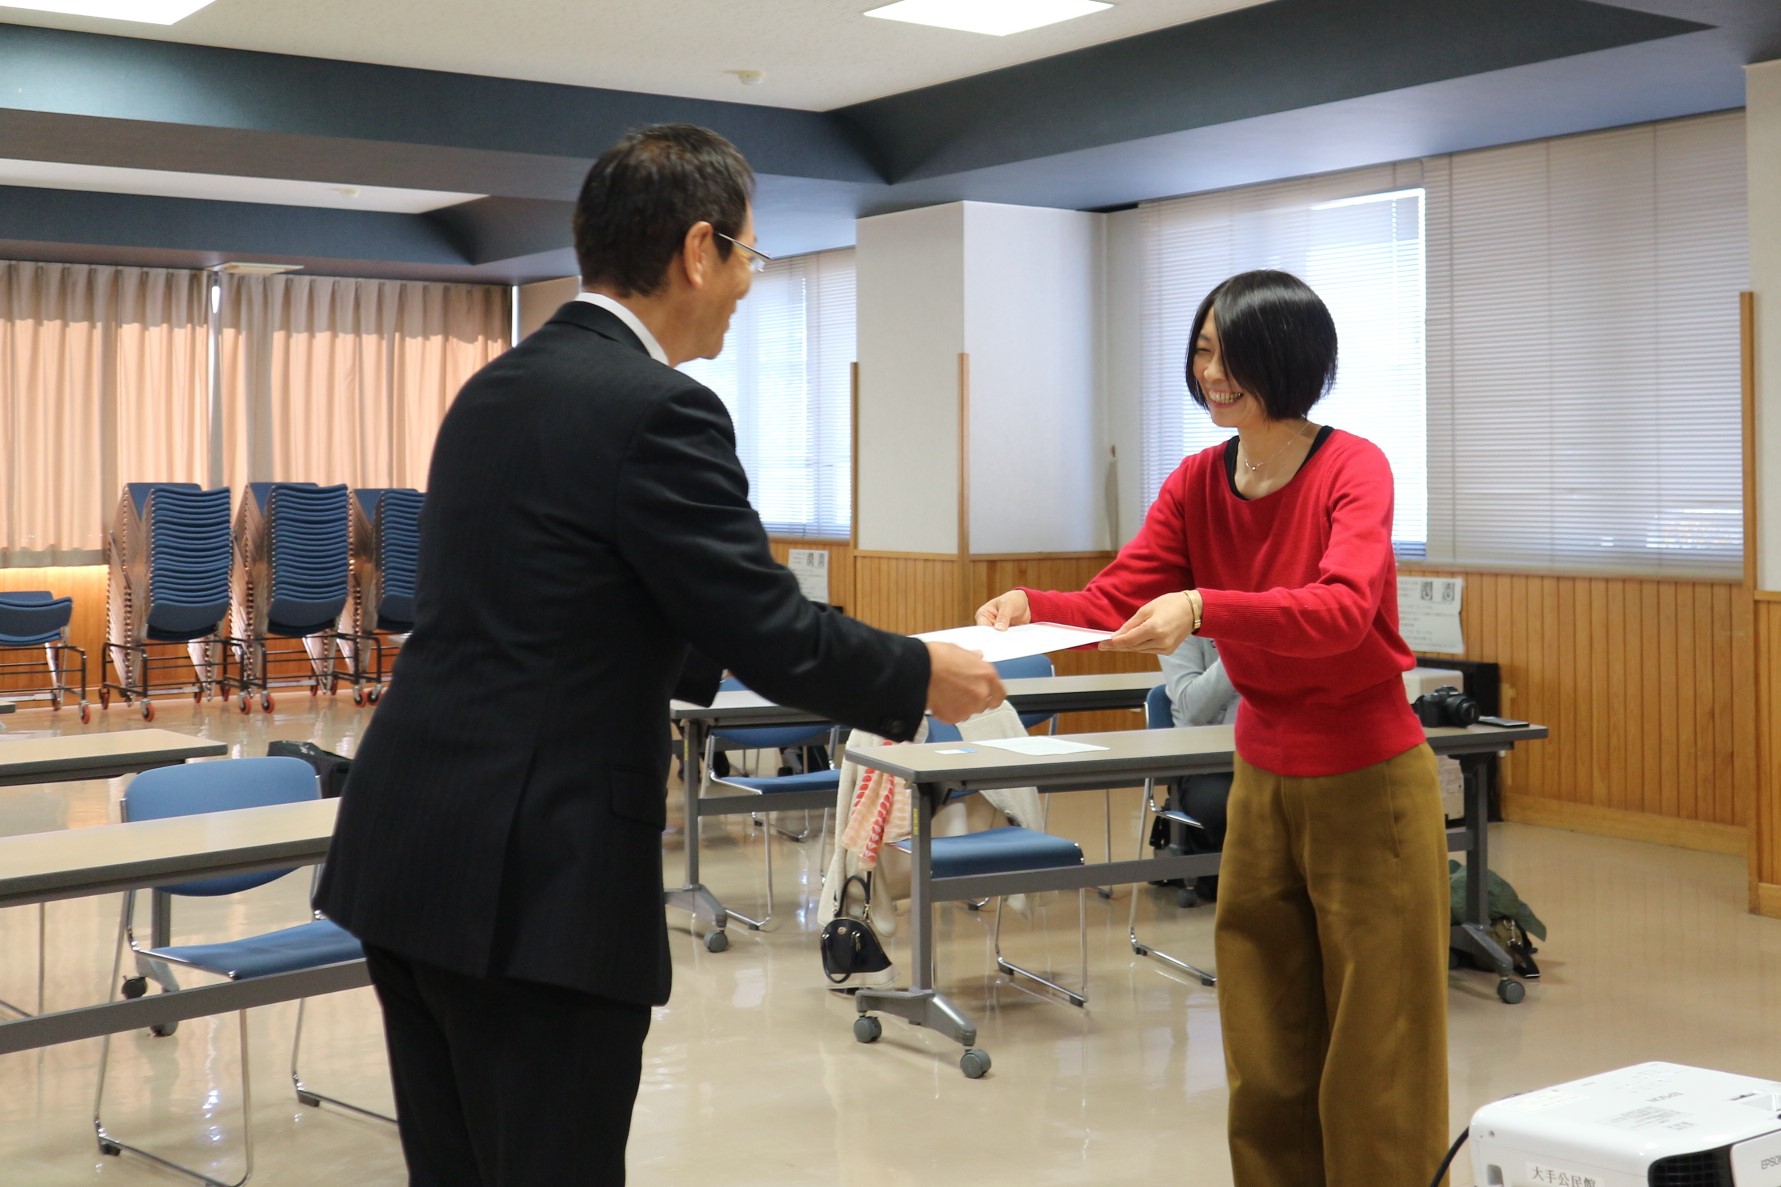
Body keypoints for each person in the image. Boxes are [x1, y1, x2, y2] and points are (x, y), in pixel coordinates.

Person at [315, 124, 1003, 1187]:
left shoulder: (495, 388)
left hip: (407, 848)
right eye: (747, 255)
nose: (746, 284)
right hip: (533, 877)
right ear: (696, 249)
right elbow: (765, 627)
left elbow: (570, 597)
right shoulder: (660, 408)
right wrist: (920, 669)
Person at [978, 269, 1447, 1187]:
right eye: (1201, 351)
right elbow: (1118, 594)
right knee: (1265, 1038)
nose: (1211, 373)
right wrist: (1033, 606)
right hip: (1260, 778)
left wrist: (1203, 605)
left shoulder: (1352, 467)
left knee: (1378, 1046)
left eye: (1231, 354)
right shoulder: (1197, 479)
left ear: (1290, 359)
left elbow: (1341, 610)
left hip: (1368, 777)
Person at [1155, 635, 1238, 902]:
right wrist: (1243, 649)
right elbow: (1193, 707)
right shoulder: (1178, 627)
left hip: (1270, 751)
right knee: (1224, 804)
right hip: (1204, 761)